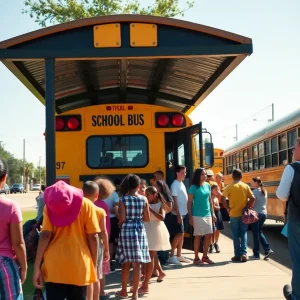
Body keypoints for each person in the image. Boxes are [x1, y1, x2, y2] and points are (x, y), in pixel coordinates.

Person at [33, 181, 100, 300]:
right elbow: (93, 237)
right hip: (79, 264)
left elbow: (45, 236)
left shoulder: (49, 207)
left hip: (54, 267)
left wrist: (37, 266)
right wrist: (94, 265)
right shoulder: (87, 204)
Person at [115, 174, 151, 300]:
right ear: (138, 186)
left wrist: (117, 212)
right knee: (137, 265)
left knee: (125, 262)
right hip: (139, 230)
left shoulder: (123, 199)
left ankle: (124, 290)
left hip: (127, 231)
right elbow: (147, 218)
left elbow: (122, 218)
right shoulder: (144, 199)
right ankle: (135, 294)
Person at [276, 138, 300, 300]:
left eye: (294, 147)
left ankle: (297, 295)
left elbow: (282, 195)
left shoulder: (292, 169)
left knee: (298, 258)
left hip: (297, 219)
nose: (292, 151)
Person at [0, 158, 27, 300]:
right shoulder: (11, 206)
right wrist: (24, 266)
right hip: (5, 267)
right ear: (4, 178)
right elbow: (18, 243)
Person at [139, 186, 171, 294]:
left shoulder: (160, 205)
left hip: (156, 230)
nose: (146, 196)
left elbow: (162, 217)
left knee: (150, 257)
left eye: (148, 195)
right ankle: (160, 273)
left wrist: (150, 209)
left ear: (155, 195)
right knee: (152, 255)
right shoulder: (145, 203)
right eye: (146, 194)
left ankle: (146, 283)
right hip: (147, 229)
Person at [221, 169, 255, 262]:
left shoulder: (230, 187)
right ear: (241, 176)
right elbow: (252, 198)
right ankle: (244, 253)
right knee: (243, 233)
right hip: (244, 214)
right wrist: (247, 207)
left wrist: (227, 208)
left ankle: (237, 255)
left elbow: (222, 198)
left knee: (235, 235)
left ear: (232, 177)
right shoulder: (245, 186)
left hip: (233, 214)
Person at [83, 181, 110, 300]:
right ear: (96, 195)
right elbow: (103, 231)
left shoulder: (80, 209)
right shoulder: (100, 211)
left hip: (83, 243)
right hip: (97, 244)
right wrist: (107, 249)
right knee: (96, 275)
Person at [188, 168, 216, 265]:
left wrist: (213, 213)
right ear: (198, 176)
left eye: (205, 174)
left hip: (207, 214)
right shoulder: (193, 187)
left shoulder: (208, 185)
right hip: (197, 215)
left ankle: (205, 256)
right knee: (198, 236)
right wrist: (190, 216)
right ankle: (196, 258)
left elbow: (210, 201)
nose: (204, 176)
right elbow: (189, 202)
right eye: (202, 174)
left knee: (208, 235)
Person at [94, 177, 115, 299]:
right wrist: (106, 245)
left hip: (89, 238)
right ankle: (101, 292)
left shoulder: (89, 203)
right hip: (100, 240)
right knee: (101, 269)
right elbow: (106, 227)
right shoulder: (103, 205)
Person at [168, 165, 190, 265]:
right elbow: (175, 201)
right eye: (183, 172)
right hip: (179, 214)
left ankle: (179, 255)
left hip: (184, 213)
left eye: (185, 172)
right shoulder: (174, 185)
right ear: (177, 173)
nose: (185, 174)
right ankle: (172, 255)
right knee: (178, 234)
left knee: (181, 234)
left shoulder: (181, 183)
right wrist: (178, 214)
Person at [249, 177, 273, 260]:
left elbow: (252, 203)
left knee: (256, 234)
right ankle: (267, 249)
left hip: (256, 214)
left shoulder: (255, 192)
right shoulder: (264, 191)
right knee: (259, 232)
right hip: (263, 214)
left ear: (256, 182)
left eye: (252, 182)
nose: (251, 183)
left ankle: (256, 254)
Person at [153, 179, 173, 267]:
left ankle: (164, 258)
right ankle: (162, 258)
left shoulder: (166, 195)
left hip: (165, 219)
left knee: (163, 238)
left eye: (155, 186)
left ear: (160, 187)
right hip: (159, 218)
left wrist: (162, 212)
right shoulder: (156, 196)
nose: (153, 187)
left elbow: (169, 208)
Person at [103, 188, 120, 272]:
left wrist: (102, 209)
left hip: (108, 219)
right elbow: (115, 209)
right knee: (110, 243)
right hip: (111, 219)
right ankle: (108, 263)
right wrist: (109, 210)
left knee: (109, 242)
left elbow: (116, 209)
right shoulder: (114, 194)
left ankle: (107, 263)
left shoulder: (113, 194)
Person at [211, 184, 224, 253]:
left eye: (218, 189)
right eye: (215, 189)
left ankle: (216, 243)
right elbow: (213, 207)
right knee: (213, 230)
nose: (217, 191)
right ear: (211, 190)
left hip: (218, 213)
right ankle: (211, 243)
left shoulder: (216, 197)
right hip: (213, 214)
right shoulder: (210, 197)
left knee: (218, 229)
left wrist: (219, 192)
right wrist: (218, 207)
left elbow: (222, 197)